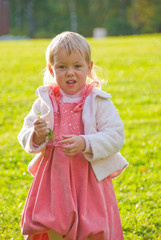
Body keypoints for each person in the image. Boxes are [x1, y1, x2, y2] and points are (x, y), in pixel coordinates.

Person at [18, 31, 128, 240]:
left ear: (89, 67)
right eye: (62, 67)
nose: (70, 73)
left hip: (87, 177)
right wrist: (36, 136)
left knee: (92, 224)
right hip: (54, 177)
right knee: (53, 220)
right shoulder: (45, 100)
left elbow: (115, 135)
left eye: (77, 66)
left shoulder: (98, 101)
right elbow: (25, 132)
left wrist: (86, 142)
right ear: (52, 69)